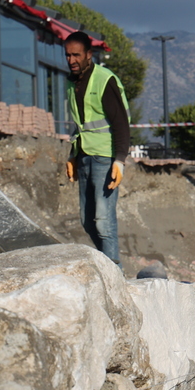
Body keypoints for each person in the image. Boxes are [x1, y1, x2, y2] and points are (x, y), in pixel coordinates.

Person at [65, 30, 130, 263]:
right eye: (68, 55)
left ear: (89, 55)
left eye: (76, 55)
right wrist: (73, 155)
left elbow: (121, 124)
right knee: (87, 220)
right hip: (84, 157)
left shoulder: (104, 80)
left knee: (104, 221)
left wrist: (120, 161)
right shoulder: (72, 83)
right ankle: (107, 264)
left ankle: (114, 273)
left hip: (105, 157)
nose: (71, 60)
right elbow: (80, 124)